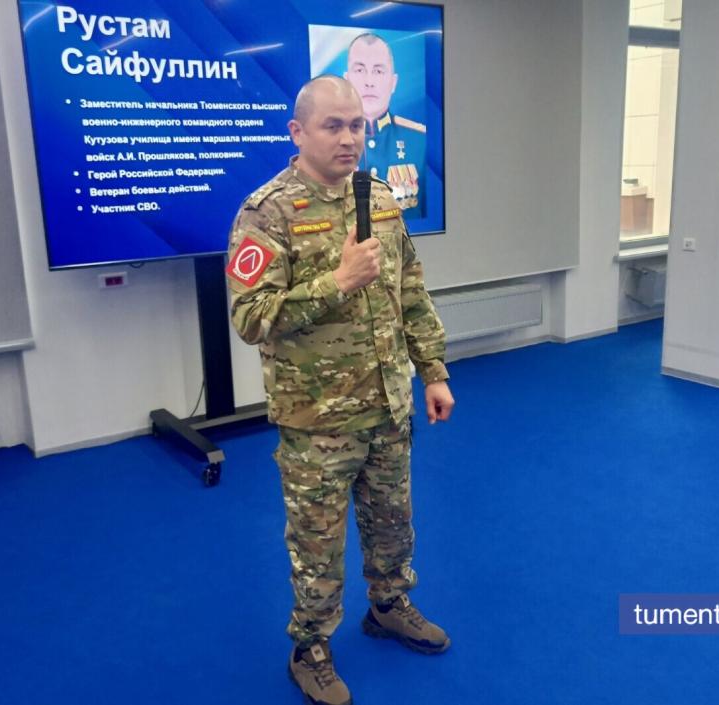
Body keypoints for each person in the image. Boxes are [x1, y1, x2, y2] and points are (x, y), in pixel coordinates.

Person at [225, 75, 454, 705]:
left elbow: (410, 291)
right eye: (333, 126)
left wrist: (433, 371)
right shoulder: (267, 212)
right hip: (317, 420)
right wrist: (337, 282)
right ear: (298, 132)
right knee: (318, 544)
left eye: (356, 125)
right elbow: (249, 318)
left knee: (393, 523)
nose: (349, 137)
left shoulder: (379, 198)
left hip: (388, 404)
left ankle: (389, 606)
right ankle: (311, 646)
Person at [344, 32, 427, 220]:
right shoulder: (327, 145)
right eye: (360, 70)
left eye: (378, 71)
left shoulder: (420, 141)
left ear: (393, 82)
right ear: (347, 80)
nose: (369, 82)